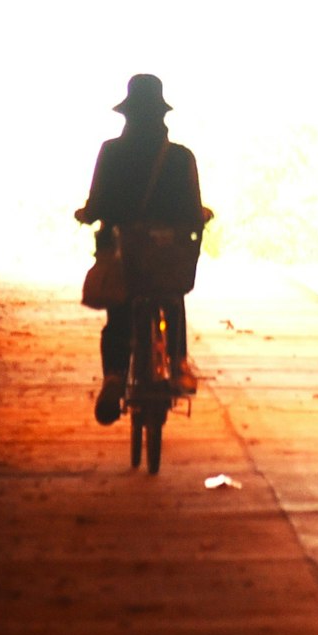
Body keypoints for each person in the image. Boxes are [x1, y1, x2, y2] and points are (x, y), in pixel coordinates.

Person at [76, 73, 209, 422]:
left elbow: (97, 203)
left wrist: (88, 215)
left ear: (127, 115)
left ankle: (115, 378)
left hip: (124, 254)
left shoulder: (112, 152)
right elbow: (194, 211)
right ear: (163, 116)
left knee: (120, 310)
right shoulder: (181, 158)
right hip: (167, 256)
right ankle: (178, 362)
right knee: (172, 293)